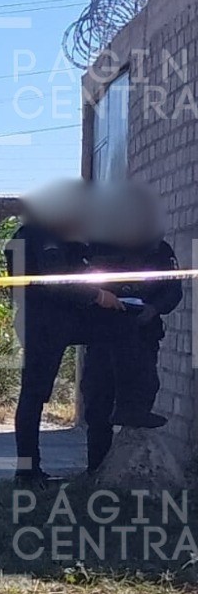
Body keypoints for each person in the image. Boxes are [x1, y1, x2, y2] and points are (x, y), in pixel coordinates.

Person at [5, 181, 125, 482]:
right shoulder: (47, 234)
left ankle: (97, 462)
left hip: (60, 317)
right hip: (46, 320)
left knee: (105, 353)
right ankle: (28, 471)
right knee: (34, 393)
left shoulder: (55, 231)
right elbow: (56, 280)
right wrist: (97, 296)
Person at [79, 182, 182, 471]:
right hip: (104, 331)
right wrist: (100, 300)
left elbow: (174, 290)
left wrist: (154, 309)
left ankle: (136, 470)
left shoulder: (159, 250)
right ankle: (96, 471)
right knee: (98, 404)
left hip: (142, 328)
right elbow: (81, 286)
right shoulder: (98, 245)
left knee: (139, 395)